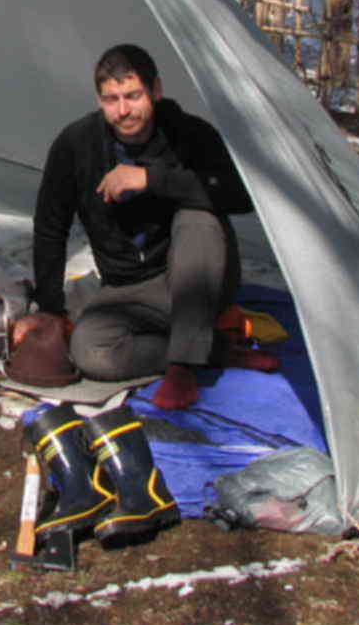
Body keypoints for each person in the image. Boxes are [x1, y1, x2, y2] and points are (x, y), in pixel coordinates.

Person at [30, 43, 271, 411]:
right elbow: (50, 226)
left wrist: (150, 178)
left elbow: (240, 196)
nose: (123, 110)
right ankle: (212, 347)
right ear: (99, 100)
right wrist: (50, 307)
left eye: (133, 95)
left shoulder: (191, 135)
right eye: (111, 99)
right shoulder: (76, 145)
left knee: (199, 218)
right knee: (91, 352)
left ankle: (183, 366)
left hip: (195, 280)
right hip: (127, 290)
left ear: (155, 90)